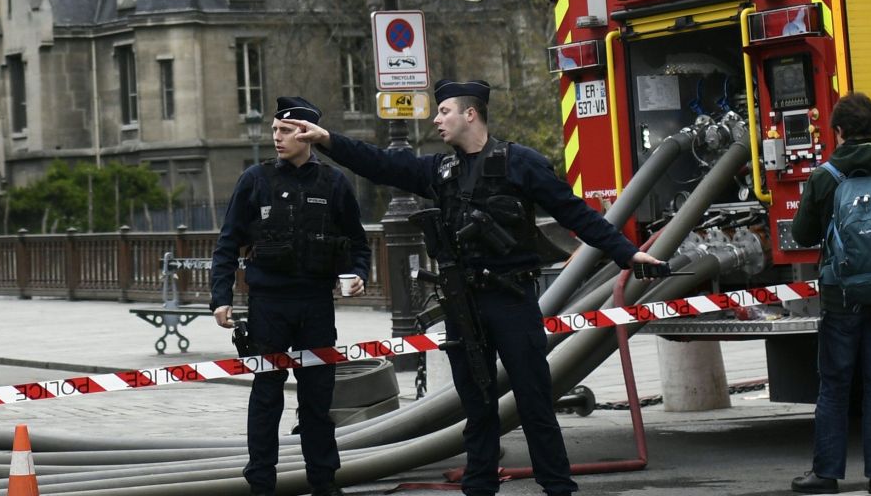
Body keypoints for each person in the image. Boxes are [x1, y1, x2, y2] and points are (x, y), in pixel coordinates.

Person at [280, 78, 665, 496]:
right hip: (463, 304)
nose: (436, 119)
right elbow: (379, 164)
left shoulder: (521, 163)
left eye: (444, 111)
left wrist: (627, 254)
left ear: (470, 114)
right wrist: (327, 140)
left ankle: (557, 487)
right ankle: (479, 487)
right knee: (476, 407)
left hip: (512, 300)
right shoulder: (440, 171)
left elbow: (576, 214)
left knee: (535, 402)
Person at [210, 96, 370, 496]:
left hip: (316, 306)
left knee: (317, 402)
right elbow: (227, 243)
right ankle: (262, 483)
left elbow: (357, 243)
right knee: (266, 398)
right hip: (269, 307)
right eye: (274, 131)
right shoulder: (256, 179)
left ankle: (324, 483)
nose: (277, 138)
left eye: (285, 131)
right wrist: (220, 298)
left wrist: (357, 274)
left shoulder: (333, 183)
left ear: (306, 135)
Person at [785, 92, 871, 496]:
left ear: (839, 132)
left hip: (839, 293)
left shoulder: (825, 177)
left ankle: (826, 475)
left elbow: (802, 234)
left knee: (834, 383)